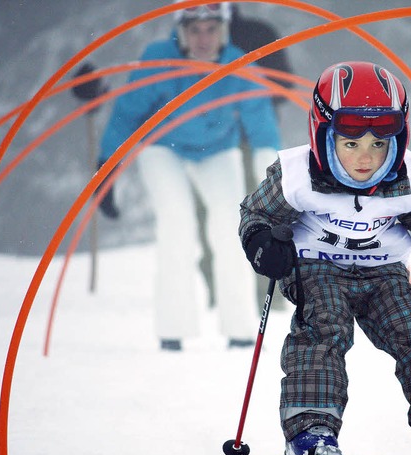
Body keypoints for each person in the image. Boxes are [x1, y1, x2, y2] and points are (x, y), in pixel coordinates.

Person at [238, 61, 411, 455]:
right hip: (316, 268)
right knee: (325, 327)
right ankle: (311, 434)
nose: (366, 158)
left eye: (379, 144)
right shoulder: (297, 175)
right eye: (351, 144)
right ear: (323, 135)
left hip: (384, 273)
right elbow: (257, 213)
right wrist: (262, 240)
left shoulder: (407, 178)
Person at [98, 1, 281, 351]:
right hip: (161, 147)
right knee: (177, 223)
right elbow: (127, 114)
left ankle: (240, 329)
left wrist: (273, 187)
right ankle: (173, 329)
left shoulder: (239, 65)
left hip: (216, 148)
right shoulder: (159, 60)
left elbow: (263, 132)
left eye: (211, 29)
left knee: (234, 228)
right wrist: (107, 170)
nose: (203, 38)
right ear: (181, 31)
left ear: (223, 30)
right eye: (194, 30)